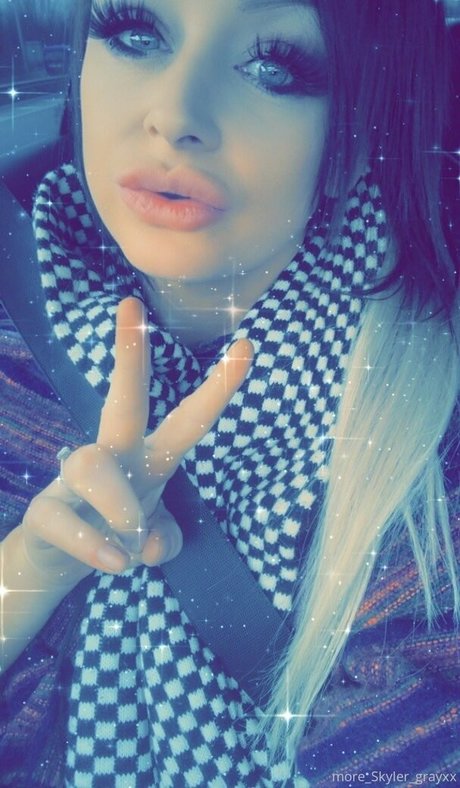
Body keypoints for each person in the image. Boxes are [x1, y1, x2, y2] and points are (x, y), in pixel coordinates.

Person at [1, 0, 459, 785]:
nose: (175, 114)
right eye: (135, 32)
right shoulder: (17, 332)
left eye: (275, 66)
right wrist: (34, 565)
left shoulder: (425, 419)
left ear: (357, 129)